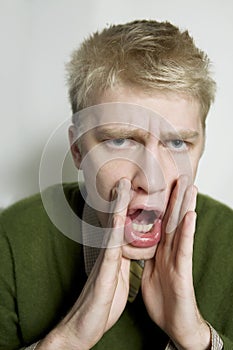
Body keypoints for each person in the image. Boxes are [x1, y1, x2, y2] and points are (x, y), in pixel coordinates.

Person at [0, 19, 232, 350]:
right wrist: (69, 339)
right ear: (77, 149)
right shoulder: (8, 239)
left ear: (203, 147)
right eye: (120, 140)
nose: (150, 181)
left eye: (178, 143)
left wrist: (197, 340)